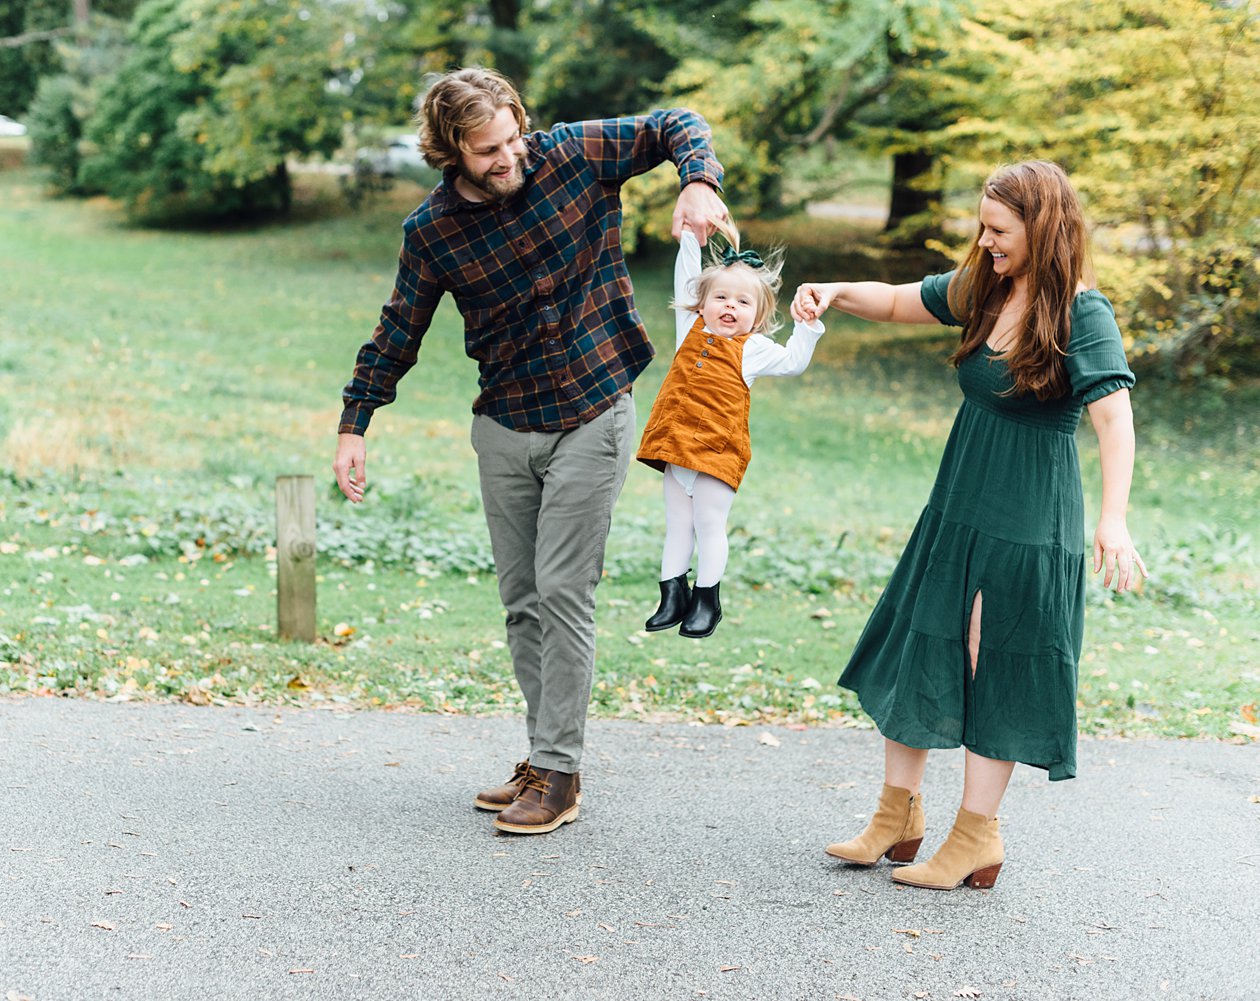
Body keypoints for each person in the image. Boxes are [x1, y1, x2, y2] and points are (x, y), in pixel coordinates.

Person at [332, 67, 731, 836]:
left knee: (563, 590)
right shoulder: (434, 231)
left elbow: (675, 119)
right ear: (452, 151)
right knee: (522, 602)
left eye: (513, 136)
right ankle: (542, 758)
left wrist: (698, 180)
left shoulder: (573, 154)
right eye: (488, 149)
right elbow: (397, 331)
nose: (509, 155)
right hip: (507, 426)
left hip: (593, 410)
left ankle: (560, 772)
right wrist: (357, 421)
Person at [790, 160, 1146, 890]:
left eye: (998, 230)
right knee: (924, 634)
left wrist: (1114, 519)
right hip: (958, 504)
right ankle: (897, 814)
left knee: (996, 659)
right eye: (982, 227)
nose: (984, 241)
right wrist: (835, 292)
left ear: (1043, 230)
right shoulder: (986, 287)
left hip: (1027, 519)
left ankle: (976, 836)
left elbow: (1114, 415)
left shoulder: (1084, 313)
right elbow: (897, 303)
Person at [636, 226, 824, 638]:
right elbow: (685, 273)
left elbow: (793, 362)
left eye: (742, 302)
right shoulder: (691, 328)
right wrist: (690, 236)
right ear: (701, 304)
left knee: (708, 524)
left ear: (756, 316)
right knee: (677, 524)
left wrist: (807, 327)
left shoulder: (752, 348)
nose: (729, 307)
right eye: (720, 297)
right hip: (675, 444)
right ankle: (672, 594)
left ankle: (706, 600)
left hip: (718, 452)